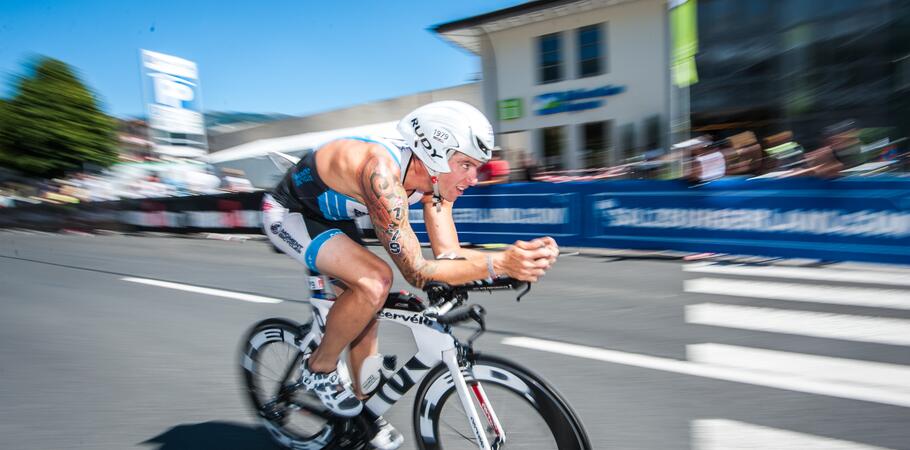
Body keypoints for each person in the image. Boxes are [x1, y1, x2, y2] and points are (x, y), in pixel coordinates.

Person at [262, 100, 558, 449]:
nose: (473, 178)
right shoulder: (381, 174)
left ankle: (360, 419)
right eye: (465, 164)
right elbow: (417, 271)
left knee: (366, 313)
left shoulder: (437, 185)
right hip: (290, 213)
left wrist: (512, 265)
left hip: (336, 215)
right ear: (433, 155)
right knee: (375, 281)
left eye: (476, 166)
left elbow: (448, 257)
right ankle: (319, 369)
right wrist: (500, 264)